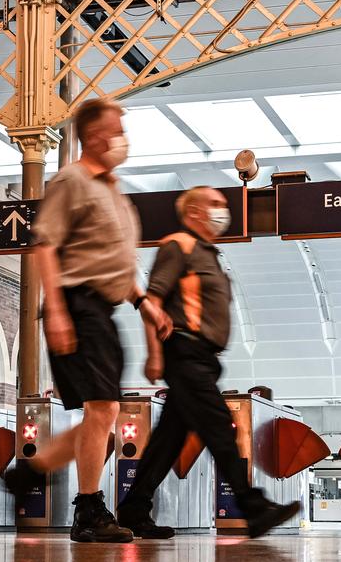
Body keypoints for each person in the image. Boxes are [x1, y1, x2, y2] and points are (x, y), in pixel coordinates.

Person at [3, 97, 170, 543]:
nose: (122, 138)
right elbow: (45, 245)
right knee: (104, 409)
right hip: (77, 306)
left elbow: (115, 261)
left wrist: (144, 301)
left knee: (103, 415)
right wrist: (55, 309)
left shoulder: (111, 189)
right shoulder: (71, 181)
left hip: (104, 309)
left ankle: (35, 470)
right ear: (93, 135)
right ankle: (88, 511)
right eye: (116, 129)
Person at [115, 185, 301, 539]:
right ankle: (253, 507)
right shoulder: (178, 246)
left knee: (168, 439)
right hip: (184, 351)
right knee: (218, 425)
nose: (222, 209)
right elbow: (152, 301)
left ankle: (133, 509)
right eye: (214, 203)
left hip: (202, 357)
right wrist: (155, 355)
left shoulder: (209, 254)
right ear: (194, 213)